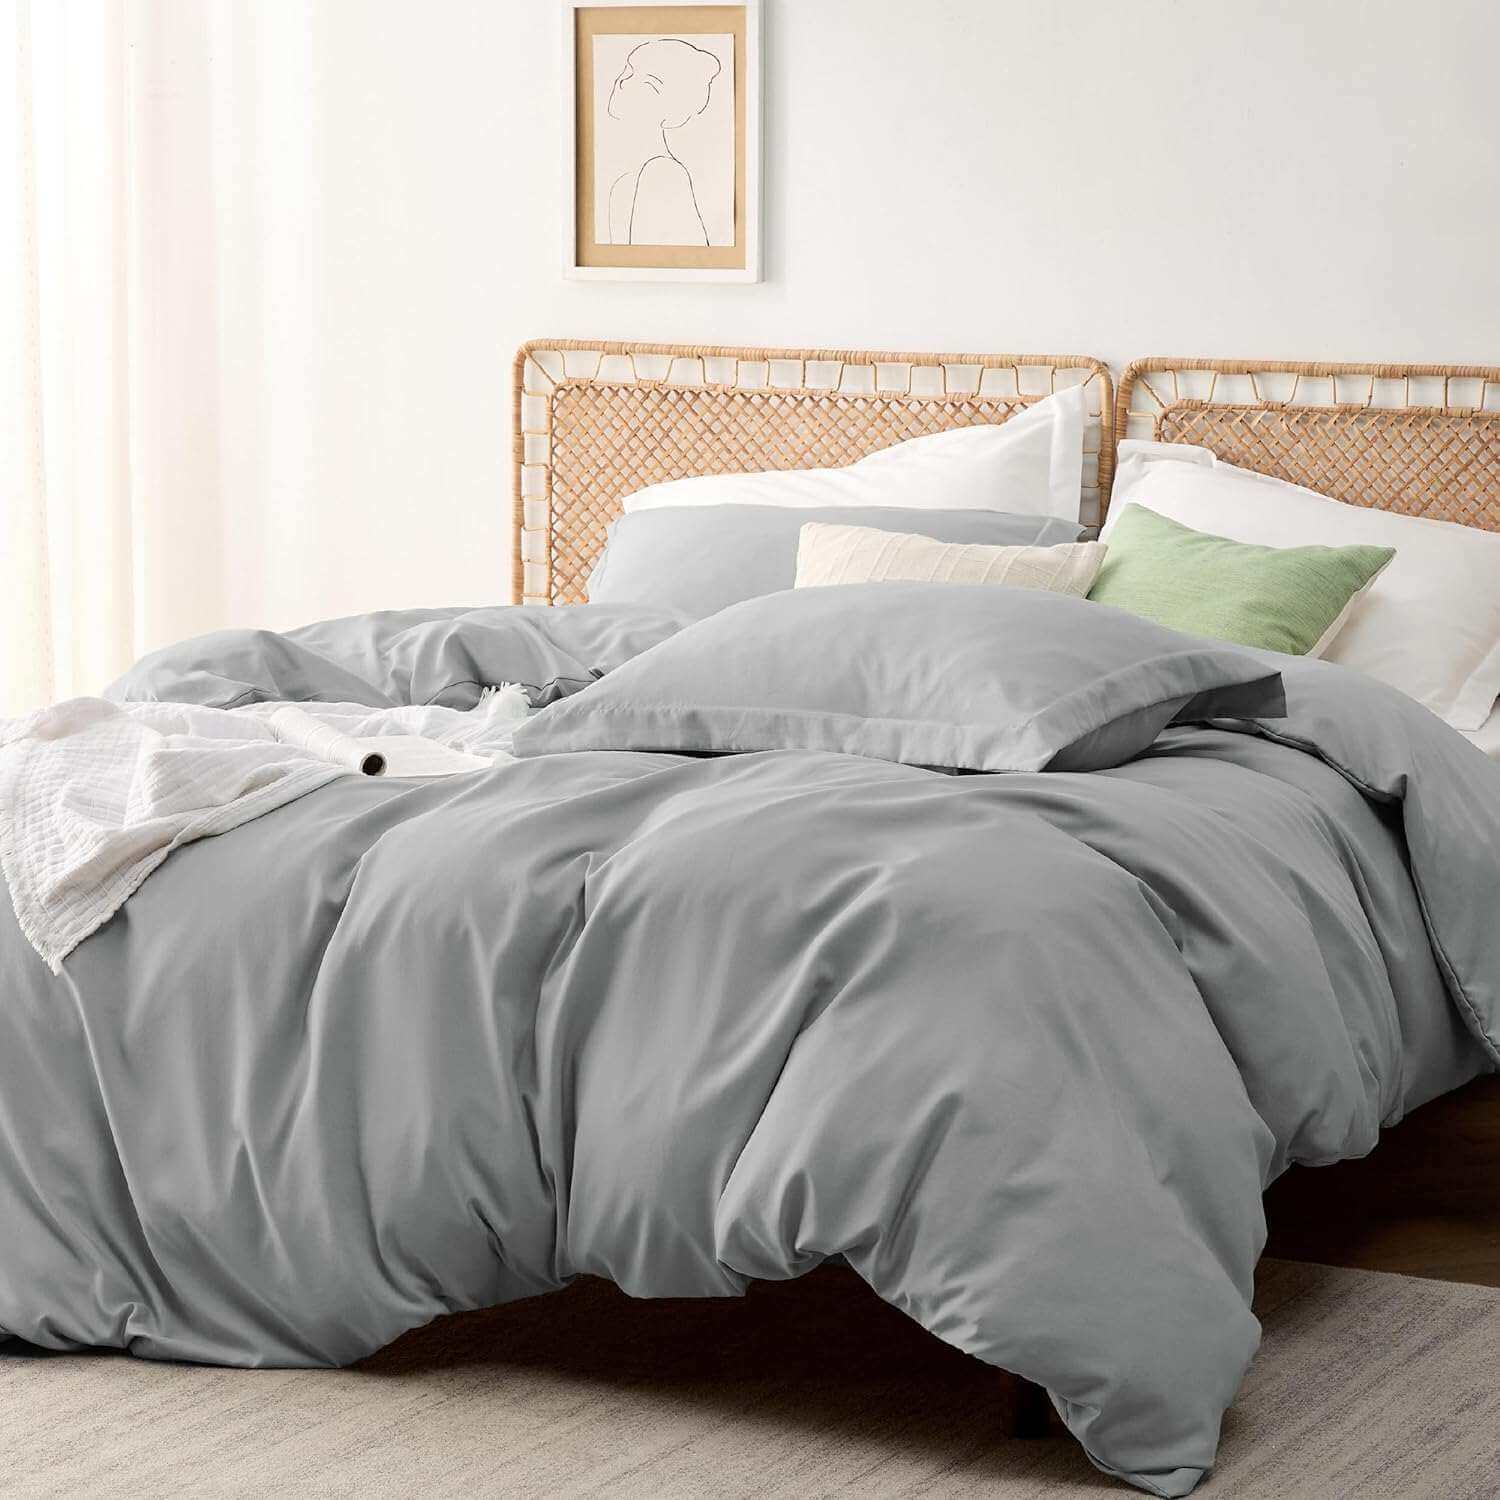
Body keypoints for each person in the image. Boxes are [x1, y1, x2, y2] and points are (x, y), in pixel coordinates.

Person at [603, 38, 722, 246]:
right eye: (629, 69)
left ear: (673, 115)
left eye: (649, 84)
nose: (624, 81)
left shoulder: (662, 172)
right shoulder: (625, 183)